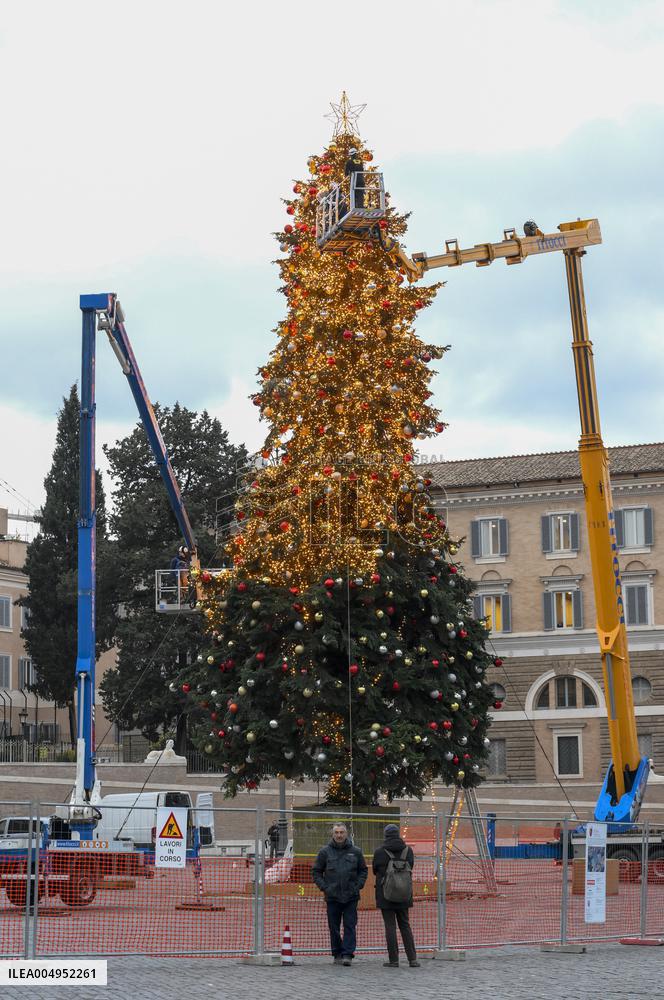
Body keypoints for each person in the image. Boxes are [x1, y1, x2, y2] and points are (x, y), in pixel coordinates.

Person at [312, 822, 368, 967]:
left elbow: (363, 870)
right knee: (334, 927)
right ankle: (337, 953)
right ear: (333, 834)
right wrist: (325, 888)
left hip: (351, 896)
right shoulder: (324, 852)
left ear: (346, 834)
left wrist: (358, 885)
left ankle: (348, 954)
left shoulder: (356, 851)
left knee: (350, 925)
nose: (339, 835)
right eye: (336, 832)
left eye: (341, 832)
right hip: (332, 896)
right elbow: (316, 872)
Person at [372, 823, 420, 968]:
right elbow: (411, 866)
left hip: (385, 894)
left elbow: (375, 870)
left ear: (385, 835)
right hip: (404, 893)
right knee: (405, 925)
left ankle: (394, 960)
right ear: (398, 834)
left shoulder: (380, 852)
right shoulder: (408, 851)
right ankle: (412, 959)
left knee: (390, 926)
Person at [341, 146, 365, 215]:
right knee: (360, 194)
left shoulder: (349, 162)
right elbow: (362, 170)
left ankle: (354, 207)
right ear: (356, 154)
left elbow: (346, 173)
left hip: (354, 180)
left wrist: (348, 174)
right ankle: (361, 207)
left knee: (354, 194)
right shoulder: (360, 161)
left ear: (350, 155)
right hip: (361, 180)